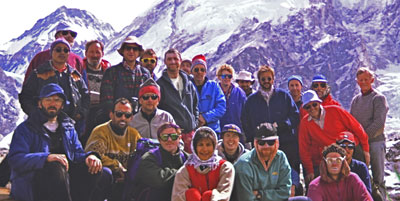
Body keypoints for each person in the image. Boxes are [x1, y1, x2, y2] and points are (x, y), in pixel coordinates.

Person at [8, 83, 111, 201]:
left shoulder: (68, 127)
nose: (53, 104)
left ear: (62, 105)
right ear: (39, 103)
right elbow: (16, 159)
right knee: (55, 168)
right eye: (48, 99)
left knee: (102, 172)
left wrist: (90, 156)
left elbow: (77, 155)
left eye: (57, 100)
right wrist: (46, 158)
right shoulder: (26, 128)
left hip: (64, 181)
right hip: (34, 181)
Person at [19, 38, 89, 137]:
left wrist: (81, 114)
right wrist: (36, 115)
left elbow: (85, 96)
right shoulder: (39, 73)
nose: (62, 52)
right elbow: (26, 96)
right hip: (44, 126)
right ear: (51, 52)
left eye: (66, 50)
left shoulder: (74, 74)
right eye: (58, 49)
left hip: (71, 126)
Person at [241, 65, 300, 182]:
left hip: (285, 143)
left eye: (269, 78)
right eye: (263, 79)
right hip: (262, 146)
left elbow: (295, 115)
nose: (266, 81)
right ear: (259, 80)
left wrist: (283, 125)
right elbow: (245, 120)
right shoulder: (251, 101)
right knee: (264, 176)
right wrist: (253, 136)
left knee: (289, 175)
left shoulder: (283, 96)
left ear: (273, 79)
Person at [298, 90, 370, 185]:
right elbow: (304, 148)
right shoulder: (305, 123)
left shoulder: (335, 110)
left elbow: (357, 128)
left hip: (349, 151)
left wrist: (366, 150)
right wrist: (309, 170)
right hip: (329, 157)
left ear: (319, 103)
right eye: (308, 107)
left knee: (361, 179)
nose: (312, 108)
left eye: (314, 104)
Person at [85, 98, 142, 200]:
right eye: (119, 114)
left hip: (125, 180)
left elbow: (139, 159)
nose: (123, 118)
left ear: (132, 117)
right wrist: (117, 166)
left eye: (127, 115)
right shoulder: (100, 131)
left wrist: (128, 174)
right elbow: (93, 156)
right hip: (105, 179)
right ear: (111, 115)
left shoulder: (134, 135)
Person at [350, 67, 389, 200]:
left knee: (378, 178)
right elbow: (352, 122)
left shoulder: (378, 98)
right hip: (360, 146)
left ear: (372, 80)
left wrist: (363, 138)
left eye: (366, 79)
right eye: (361, 80)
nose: (364, 82)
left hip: (375, 143)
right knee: (362, 176)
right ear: (357, 82)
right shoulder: (355, 100)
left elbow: (379, 124)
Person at [171, 126, 235, 201]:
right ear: (194, 147)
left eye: (208, 145)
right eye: (200, 145)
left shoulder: (225, 167)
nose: (205, 149)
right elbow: (178, 197)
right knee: (192, 194)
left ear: (214, 146)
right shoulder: (185, 170)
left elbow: (224, 195)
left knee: (209, 195)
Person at [234, 123, 292, 201]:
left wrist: (260, 194)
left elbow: (285, 192)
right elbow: (246, 198)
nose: (266, 146)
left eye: (270, 142)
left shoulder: (281, 157)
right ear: (256, 143)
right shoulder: (244, 164)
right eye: (262, 143)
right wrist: (273, 194)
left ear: (276, 143)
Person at [157, 48, 199, 153]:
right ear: (165, 62)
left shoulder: (188, 82)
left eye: (175, 59)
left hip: (190, 133)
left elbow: (195, 106)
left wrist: (194, 122)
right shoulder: (160, 84)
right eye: (169, 59)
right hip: (171, 136)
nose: (172, 62)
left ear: (180, 61)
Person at [133, 122, 188, 201]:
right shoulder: (148, 158)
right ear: (159, 139)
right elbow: (160, 181)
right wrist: (186, 173)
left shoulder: (188, 158)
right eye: (165, 137)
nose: (169, 140)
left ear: (180, 138)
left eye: (173, 136)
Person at [100, 36, 150, 118]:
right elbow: (106, 99)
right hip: (118, 118)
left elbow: (148, 97)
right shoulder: (111, 72)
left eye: (135, 49)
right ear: (123, 51)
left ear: (138, 53)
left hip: (140, 118)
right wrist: (113, 115)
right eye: (128, 48)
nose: (131, 51)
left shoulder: (145, 73)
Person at [307, 144, 373, 201]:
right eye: (330, 161)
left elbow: (367, 199)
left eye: (338, 160)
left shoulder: (353, 179)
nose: (334, 164)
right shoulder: (315, 186)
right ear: (324, 163)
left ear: (344, 163)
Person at [81, 40, 111, 146]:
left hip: (103, 113)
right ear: (86, 53)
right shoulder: (79, 70)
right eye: (91, 52)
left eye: (97, 52)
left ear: (102, 54)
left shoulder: (109, 71)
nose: (94, 55)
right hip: (84, 113)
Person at [190, 54, 226, 134]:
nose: (199, 72)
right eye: (196, 70)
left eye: (202, 70)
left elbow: (221, 107)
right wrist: (196, 119)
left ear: (205, 72)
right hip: (193, 130)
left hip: (213, 130)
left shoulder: (214, 86)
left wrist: (205, 117)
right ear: (191, 71)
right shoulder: (187, 86)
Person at [216, 64, 247, 132]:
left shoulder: (240, 93)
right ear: (219, 77)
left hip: (236, 130)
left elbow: (246, 113)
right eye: (224, 76)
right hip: (219, 130)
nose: (227, 78)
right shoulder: (214, 92)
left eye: (229, 76)